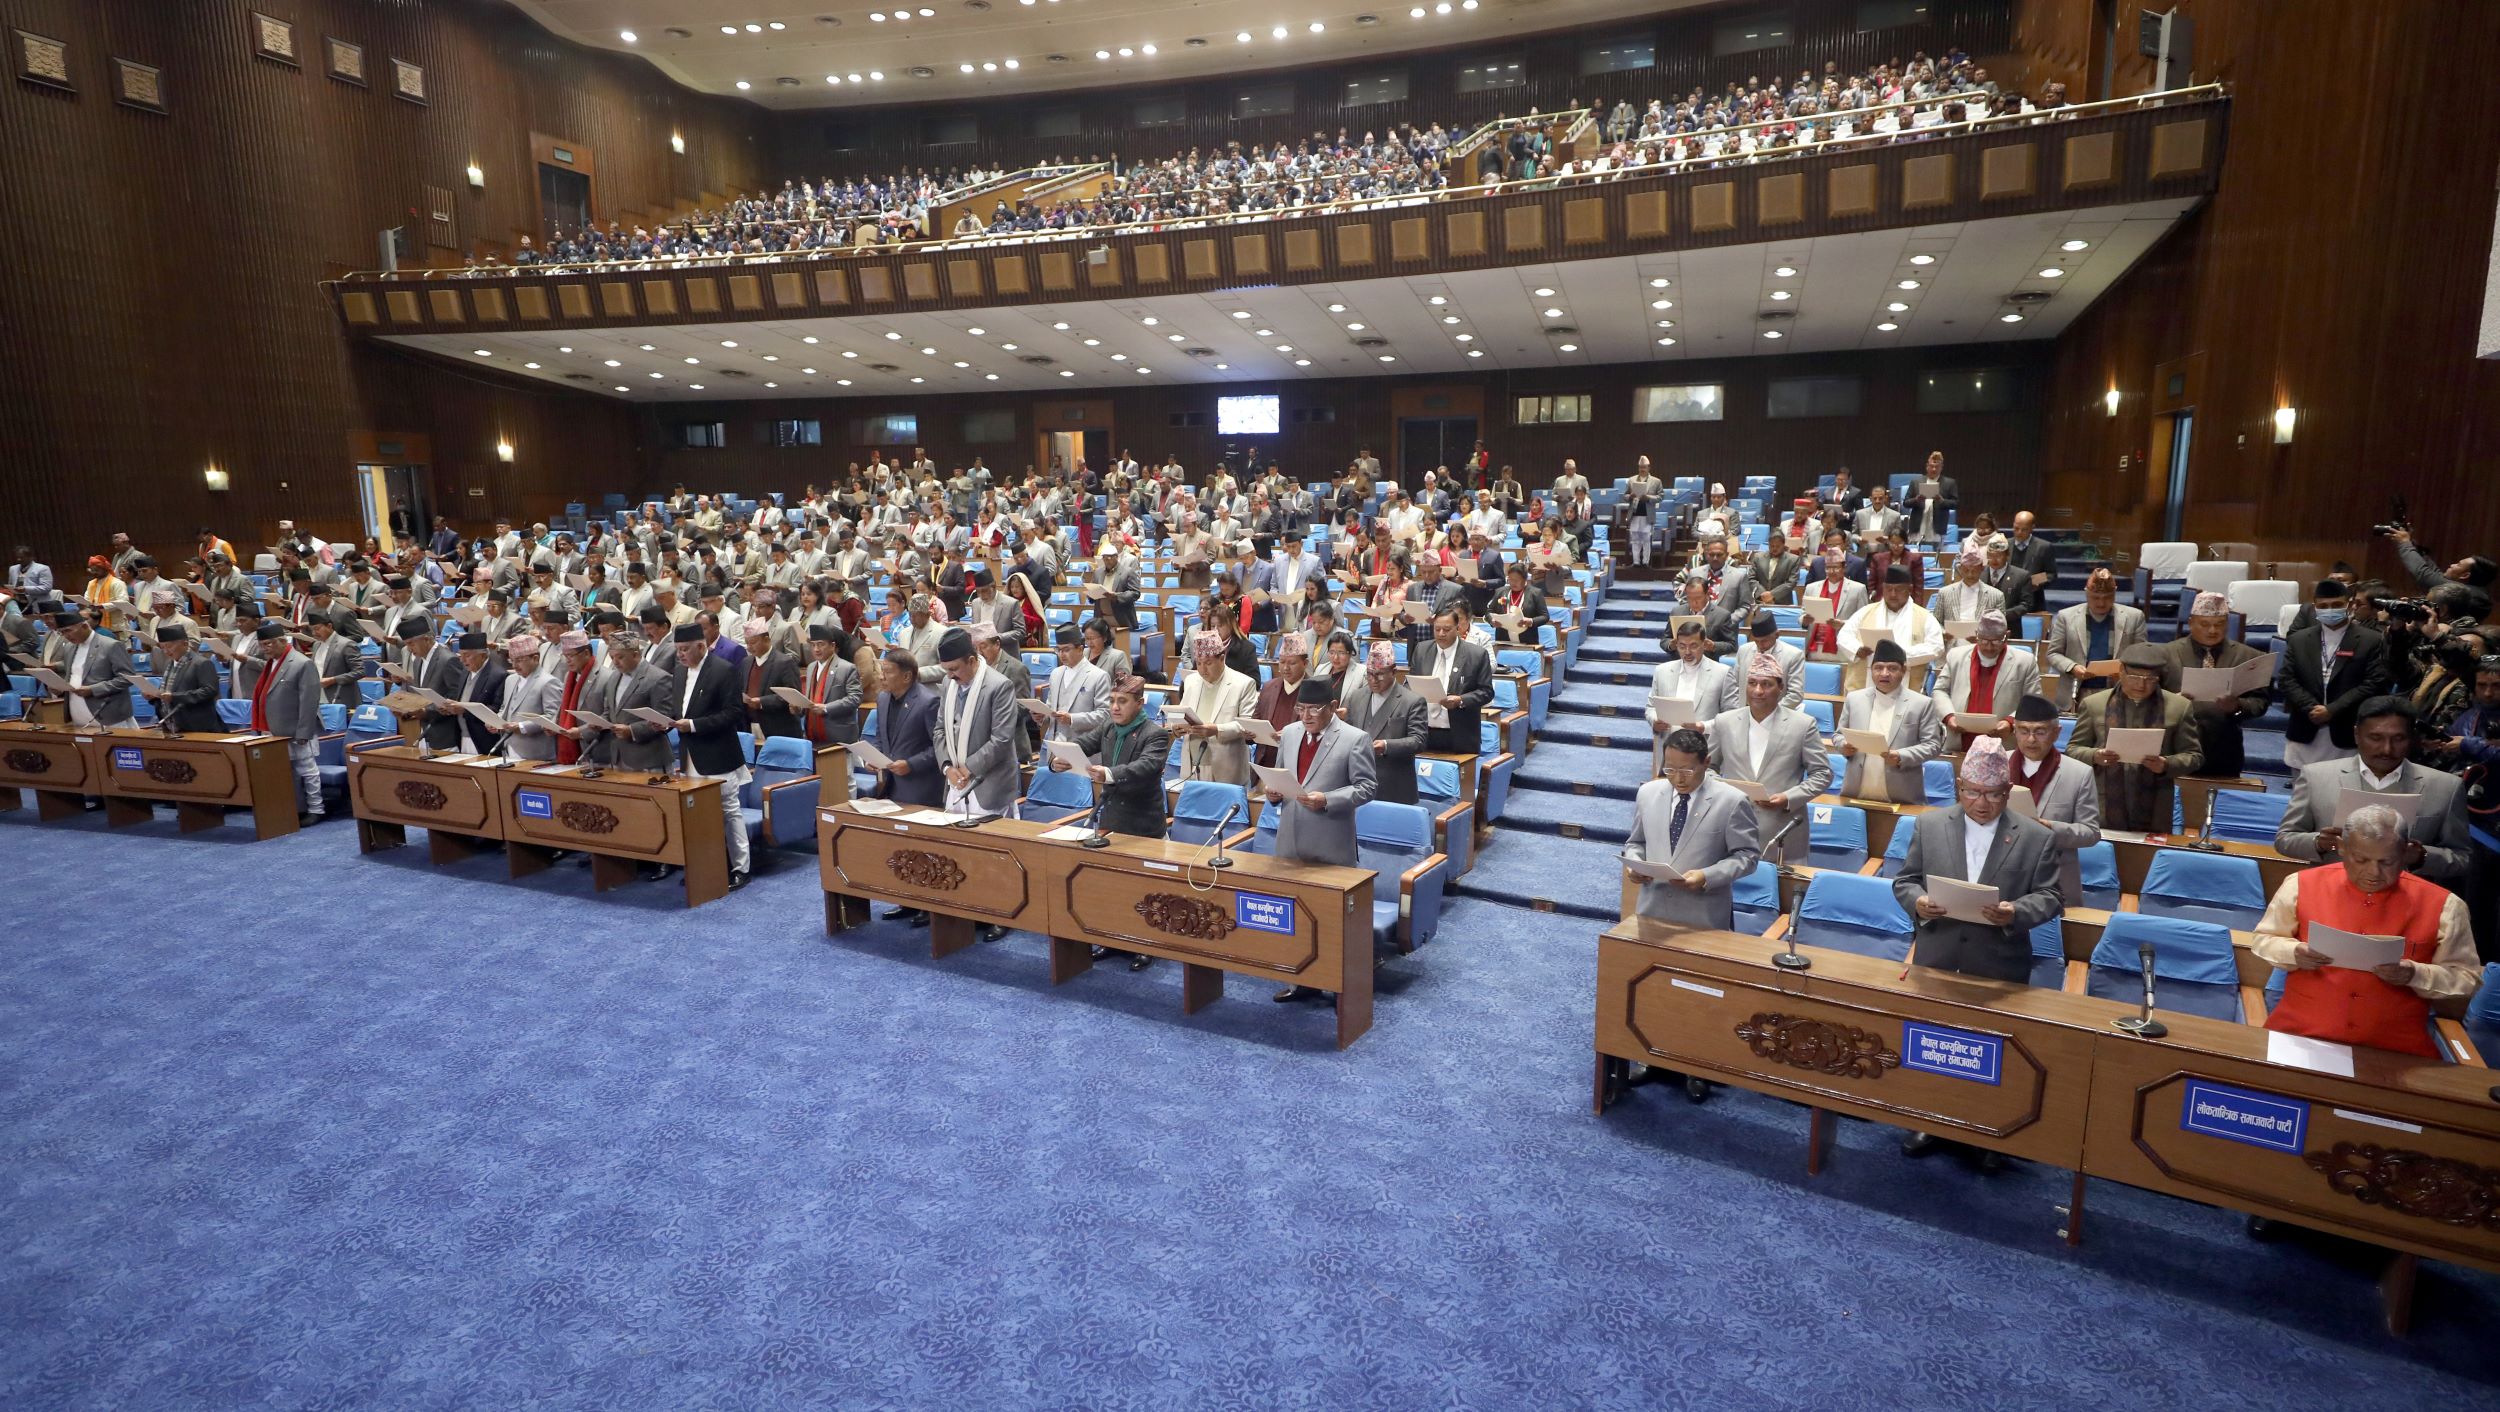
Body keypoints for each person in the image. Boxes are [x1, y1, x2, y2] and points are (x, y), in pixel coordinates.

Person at [1892, 739, 2066, 1163]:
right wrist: (1918, 902)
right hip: (1939, 955)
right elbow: (1905, 881)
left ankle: (1987, 1136)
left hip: (1997, 963)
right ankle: (1928, 1120)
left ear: (2007, 794)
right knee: (1932, 1042)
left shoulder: (2034, 837)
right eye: (1971, 791)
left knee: (1989, 1052)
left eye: (1991, 794)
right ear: (1958, 786)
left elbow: (2051, 896)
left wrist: (2015, 911)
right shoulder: (1929, 826)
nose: (1981, 803)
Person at [2249, 804, 2483, 1058]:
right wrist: (2294, 952)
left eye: (2387, 862)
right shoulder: (2300, 884)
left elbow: (2466, 978)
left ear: (2406, 853)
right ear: (2341, 847)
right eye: (2361, 860)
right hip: (2300, 1034)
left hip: (2395, 1048)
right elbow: (2263, 940)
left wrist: (2415, 973)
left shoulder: (2447, 905)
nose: (2373, 872)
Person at [2273, 695, 2471, 886]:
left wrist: (2421, 856)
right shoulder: (2316, 777)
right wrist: (2319, 842)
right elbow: (2285, 839)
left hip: (2406, 906)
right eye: (2375, 738)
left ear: (2412, 738)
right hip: (2330, 897)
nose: (2386, 749)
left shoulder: (2446, 787)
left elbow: (2463, 858)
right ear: (2357, 735)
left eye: (2398, 739)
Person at [1266, 677, 1378, 1003]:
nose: (1306, 715)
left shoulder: (1354, 739)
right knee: (1293, 915)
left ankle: (1338, 984)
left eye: (1314, 709)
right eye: (1301, 708)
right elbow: (1280, 777)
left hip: (1330, 841)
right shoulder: (1288, 734)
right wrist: (1272, 794)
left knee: (1331, 919)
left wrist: (1328, 799)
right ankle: (1299, 979)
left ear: (1332, 707)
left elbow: (1367, 787)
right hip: (1290, 840)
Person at [1056, 674, 1174, 972]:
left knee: (1145, 889)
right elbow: (1083, 743)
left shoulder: (1155, 734)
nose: (1115, 707)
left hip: (1142, 823)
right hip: (1110, 818)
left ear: (1139, 703)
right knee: (1113, 884)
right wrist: (1059, 759)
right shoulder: (1108, 726)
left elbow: (1145, 768)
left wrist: (1107, 774)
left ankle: (1145, 944)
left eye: (1122, 701)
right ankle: (1114, 937)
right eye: (1112, 701)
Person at [1624, 727, 1761, 929]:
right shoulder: (1647, 793)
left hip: (1703, 917)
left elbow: (1747, 856)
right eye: (1670, 769)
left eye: (1687, 770)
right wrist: (1635, 864)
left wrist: (1707, 876)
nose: (1678, 779)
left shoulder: (1732, 801)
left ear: (1706, 762)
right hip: (1651, 911)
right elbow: (1636, 842)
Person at [1704, 655, 1832, 865]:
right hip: (1732, 825)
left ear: (1780, 688)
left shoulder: (1803, 724)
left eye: (1766, 684)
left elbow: (1822, 774)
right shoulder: (1724, 722)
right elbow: (1708, 768)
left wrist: (1789, 797)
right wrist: (1724, 789)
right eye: (1752, 683)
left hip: (1781, 829)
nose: (1758, 691)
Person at [2066, 644, 2201, 832]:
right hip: (2102, 802)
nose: (2141, 685)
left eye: (2150, 679)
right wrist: (2095, 755)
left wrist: (2166, 764)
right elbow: (2073, 749)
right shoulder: (2094, 704)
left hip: (2156, 805)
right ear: (2121, 671)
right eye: (2135, 677)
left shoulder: (2179, 707)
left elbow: (2194, 756)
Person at [669, 621, 753, 892]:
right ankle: (706, 863)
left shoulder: (723, 670)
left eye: (684, 649)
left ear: (701, 646)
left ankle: (741, 868)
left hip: (718, 753)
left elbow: (733, 713)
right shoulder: (679, 673)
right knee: (697, 813)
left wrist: (693, 725)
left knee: (729, 811)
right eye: (678, 649)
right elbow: (679, 710)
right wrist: (667, 722)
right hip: (690, 755)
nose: (680, 654)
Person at [2156, 591, 2274, 779]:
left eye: (2219, 624)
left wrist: (2237, 706)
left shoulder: (2249, 657)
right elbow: (2148, 695)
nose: (2212, 630)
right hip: (2175, 747)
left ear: (2227, 624)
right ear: (2191, 622)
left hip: (2224, 749)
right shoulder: (2166, 653)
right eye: (2205, 624)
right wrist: (2172, 702)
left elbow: (2260, 702)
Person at [2279, 578, 2391, 769]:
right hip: (2305, 724)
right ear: (2315, 607)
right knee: (2301, 794)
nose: (2330, 610)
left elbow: (2374, 683)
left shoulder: (2371, 640)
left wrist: (2332, 710)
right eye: (2323, 606)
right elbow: (2286, 679)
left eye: (2337, 604)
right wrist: (2311, 708)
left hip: (2345, 728)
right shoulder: (2298, 639)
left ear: (2349, 605)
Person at [2006, 693, 2101, 905]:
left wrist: (2050, 828)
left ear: (2056, 732)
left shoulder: (2078, 773)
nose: (2031, 739)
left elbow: (2091, 832)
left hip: (2053, 879)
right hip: (2003, 875)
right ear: (2015, 731)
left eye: (2040, 732)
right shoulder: (1997, 764)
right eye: (2024, 731)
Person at [933, 625, 1019, 837]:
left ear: (971, 661)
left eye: (954, 668)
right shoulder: (948, 683)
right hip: (955, 782)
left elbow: (1001, 739)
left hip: (988, 786)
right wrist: (947, 768)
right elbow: (939, 731)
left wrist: (967, 768)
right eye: (946, 669)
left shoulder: (999, 686)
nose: (950, 675)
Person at [1837, 639, 1947, 803]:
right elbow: (1838, 735)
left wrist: (1901, 756)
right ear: (1871, 670)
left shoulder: (1921, 703)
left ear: (1903, 670)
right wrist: (1843, 746)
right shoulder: (1854, 699)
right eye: (1878, 668)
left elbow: (1933, 746)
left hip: (1901, 795)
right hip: (1855, 792)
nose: (1884, 674)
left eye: (1892, 668)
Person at [246, 620, 326, 826]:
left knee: (308, 771)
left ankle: (316, 809)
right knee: (285, 772)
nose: (264, 649)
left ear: (283, 641)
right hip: (273, 728)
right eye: (262, 645)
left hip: (296, 729)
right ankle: (296, 808)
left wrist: (303, 732)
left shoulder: (301, 663)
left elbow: (309, 701)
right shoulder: (272, 662)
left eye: (269, 644)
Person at [1928, 610, 2039, 750]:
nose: (1989, 646)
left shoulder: (2024, 662)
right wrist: (1949, 717)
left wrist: (2011, 722)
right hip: (1959, 739)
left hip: (2003, 743)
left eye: (1996, 641)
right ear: (1976, 635)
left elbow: (2033, 700)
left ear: (2007, 636)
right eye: (1984, 640)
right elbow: (1940, 690)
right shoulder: (1956, 656)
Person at [1341, 641, 1428, 806]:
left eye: (1380, 674)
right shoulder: (1357, 696)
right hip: (1357, 781)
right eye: (1369, 674)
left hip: (1394, 785)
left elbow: (1418, 741)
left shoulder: (1412, 701)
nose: (1373, 680)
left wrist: (1387, 746)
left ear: (1394, 671)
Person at [2043, 568, 2145, 703]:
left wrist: (2126, 671)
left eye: (2107, 598)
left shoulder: (2134, 617)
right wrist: (2072, 667)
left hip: (2119, 691)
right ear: (2086, 594)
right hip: (2077, 691)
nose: (2101, 603)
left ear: (2115, 595)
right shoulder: (2066, 617)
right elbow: (2053, 654)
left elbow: (2141, 655)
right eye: (2095, 598)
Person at [1834, 565, 1942, 692]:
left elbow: (1936, 646)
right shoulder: (1865, 612)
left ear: (1910, 589)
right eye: (1888, 589)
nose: (1893, 594)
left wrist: (1900, 656)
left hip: (1907, 688)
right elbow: (1844, 636)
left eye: (1899, 589)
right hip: (1863, 686)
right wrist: (1857, 649)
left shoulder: (1925, 617)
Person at [1647, 620, 1732, 776]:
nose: (1687, 652)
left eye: (1693, 646)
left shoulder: (1723, 673)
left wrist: (1703, 726)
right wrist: (1654, 721)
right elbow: (1651, 707)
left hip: (1704, 752)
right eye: (1682, 646)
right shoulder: (1662, 671)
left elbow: (1732, 716)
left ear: (1704, 644)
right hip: (1669, 752)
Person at [1176, 630, 1258, 784]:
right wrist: (1176, 728)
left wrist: (1216, 729)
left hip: (1225, 766)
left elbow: (1246, 725)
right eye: (1199, 663)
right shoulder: (1191, 681)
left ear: (1222, 658)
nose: (1202, 669)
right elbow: (1182, 714)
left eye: (1208, 663)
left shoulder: (1243, 684)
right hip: (1193, 762)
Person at [1409, 608, 1493, 755]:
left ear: (1458, 628)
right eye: (1437, 629)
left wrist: (1461, 700)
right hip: (1423, 732)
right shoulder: (1421, 650)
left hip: (1459, 735)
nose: (1441, 634)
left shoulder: (1476, 655)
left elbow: (1486, 692)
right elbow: (1410, 683)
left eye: (1446, 629)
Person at [47, 611, 136, 729]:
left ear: (84, 626)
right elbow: (74, 676)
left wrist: (93, 689)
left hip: (108, 714)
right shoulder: (69, 648)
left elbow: (127, 678)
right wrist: (61, 688)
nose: (66, 636)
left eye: (68, 630)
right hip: (77, 713)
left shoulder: (111, 645)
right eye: (62, 632)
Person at [794, 624, 864, 745]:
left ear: (832, 645)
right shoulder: (811, 667)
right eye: (813, 645)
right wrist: (799, 709)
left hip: (838, 735)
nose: (816, 649)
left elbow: (855, 698)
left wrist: (826, 708)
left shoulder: (847, 668)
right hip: (812, 733)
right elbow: (812, 699)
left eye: (821, 644)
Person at [152, 623, 224, 733]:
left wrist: (175, 697)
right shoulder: (169, 664)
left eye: (169, 646)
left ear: (185, 644)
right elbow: (166, 693)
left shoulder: (201, 663)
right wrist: (153, 696)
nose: (166, 651)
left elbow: (209, 691)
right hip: (172, 725)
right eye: (162, 647)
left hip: (198, 727)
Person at [740, 618, 803, 740]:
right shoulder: (746, 662)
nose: (749, 647)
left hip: (779, 728)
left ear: (766, 639)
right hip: (750, 725)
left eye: (753, 643)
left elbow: (793, 696)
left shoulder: (784, 662)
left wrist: (762, 702)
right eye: (747, 643)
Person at [1900, 451, 1958, 548]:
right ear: (1927, 466)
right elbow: (1906, 503)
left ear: (1941, 467)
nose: (1934, 469)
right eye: (1931, 466)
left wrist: (1942, 501)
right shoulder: (1916, 482)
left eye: (1937, 467)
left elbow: (1956, 503)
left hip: (1937, 528)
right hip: (1917, 526)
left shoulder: (1950, 483)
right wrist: (1916, 500)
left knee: (1935, 557)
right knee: (1915, 554)